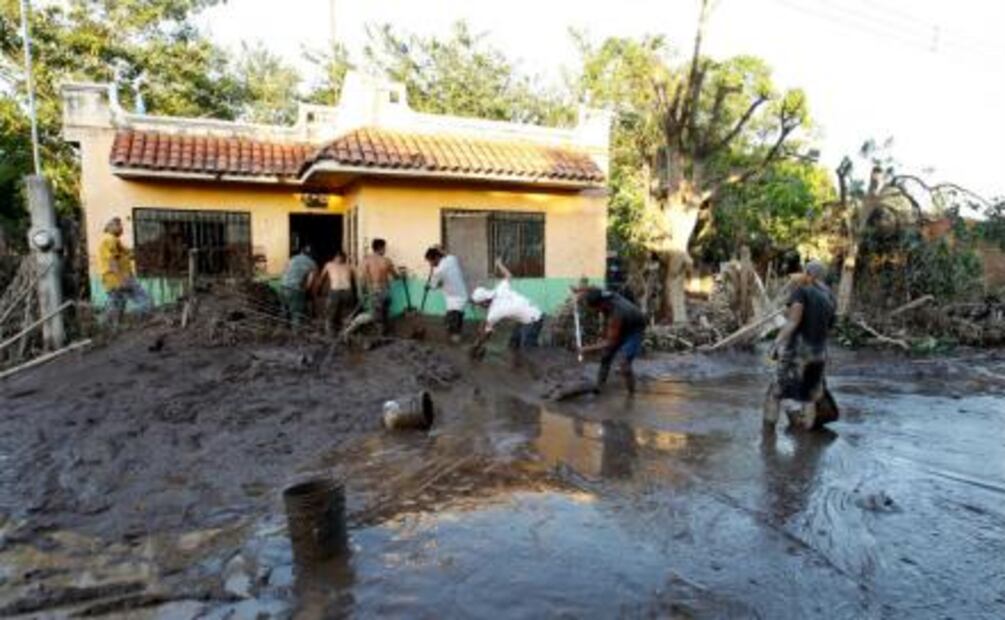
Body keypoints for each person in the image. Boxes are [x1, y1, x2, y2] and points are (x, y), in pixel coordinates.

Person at [764, 260, 837, 431]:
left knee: (775, 393)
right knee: (809, 398)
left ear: (808, 274)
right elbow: (828, 328)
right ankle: (806, 445)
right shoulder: (831, 297)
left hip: (797, 352)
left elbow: (793, 321)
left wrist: (775, 343)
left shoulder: (802, 290)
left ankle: (766, 439)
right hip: (819, 354)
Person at [469, 258, 544, 366]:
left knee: (528, 351)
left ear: (485, 302)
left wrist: (477, 345)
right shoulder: (499, 289)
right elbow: (509, 275)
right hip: (527, 316)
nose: (479, 307)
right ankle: (517, 367)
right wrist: (499, 264)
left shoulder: (494, 312)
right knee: (512, 345)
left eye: (479, 305)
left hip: (533, 319)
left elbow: (486, 333)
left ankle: (540, 368)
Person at [579, 287, 646, 394]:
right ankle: (599, 387)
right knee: (606, 356)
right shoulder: (605, 294)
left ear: (600, 305)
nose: (594, 311)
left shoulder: (616, 315)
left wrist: (587, 349)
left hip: (635, 329)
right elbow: (594, 288)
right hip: (624, 323)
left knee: (624, 364)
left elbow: (610, 342)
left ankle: (631, 394)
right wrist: (579, 290)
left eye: (594, 309)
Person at [98, 216, 151, 326]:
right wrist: (122, 279)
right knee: (144, 299)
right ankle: (139, 321)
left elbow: (127, 253)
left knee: (117, 305)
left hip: (111, 279)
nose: (121, 227)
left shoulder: (114, 240)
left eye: (121, 224)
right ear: (109, 227)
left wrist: (140, 250)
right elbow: (112, 260)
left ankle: (109, 327)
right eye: (118, 224)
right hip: (118, 278)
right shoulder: (110, 239)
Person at [424, 246, 468, 343]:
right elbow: (446, 254)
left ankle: (455, 339)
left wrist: (428, 287)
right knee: (456, 317)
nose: (430, 264)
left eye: (430, 261)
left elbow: (433, 285)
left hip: (454, 298)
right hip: (460, 294)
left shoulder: (439, 271)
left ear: (436, 258)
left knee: (453, 319)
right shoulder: (451, 259)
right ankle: (455, 336)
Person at [361, 238, 397, 335]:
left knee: (377, 315)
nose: (385, 250)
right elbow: (395, 276)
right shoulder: (387, 261)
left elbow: (363, 276)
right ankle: (385, 333)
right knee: (385, 313)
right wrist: (400, 276)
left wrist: (363, 290)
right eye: (384, 248)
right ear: (380, 248)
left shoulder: (366, 260)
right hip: (386, 290)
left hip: (374, 290)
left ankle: (380, 334)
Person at [281, 245, 318, 328]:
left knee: (285, 313)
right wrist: (307, 293)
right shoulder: (312, 263)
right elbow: (310, 282)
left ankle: (283, 333)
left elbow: (284, 272)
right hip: (296, 289)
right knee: (297, 314)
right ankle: (295, 336)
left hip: (283, 287)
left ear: (301, 252)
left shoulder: (292, 259)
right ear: (311, 255)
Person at [320, 250, 355, 335]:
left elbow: (321, 278)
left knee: (336, 313)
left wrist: (320, 290)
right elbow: (322, 279)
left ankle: (336, 332)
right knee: (340, 313)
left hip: (341, 291)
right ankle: (343, 332)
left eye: (340, 257)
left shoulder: (330, 265)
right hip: (343, 291)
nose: (339, 259)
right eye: (338, 257)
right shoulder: (348, 266)